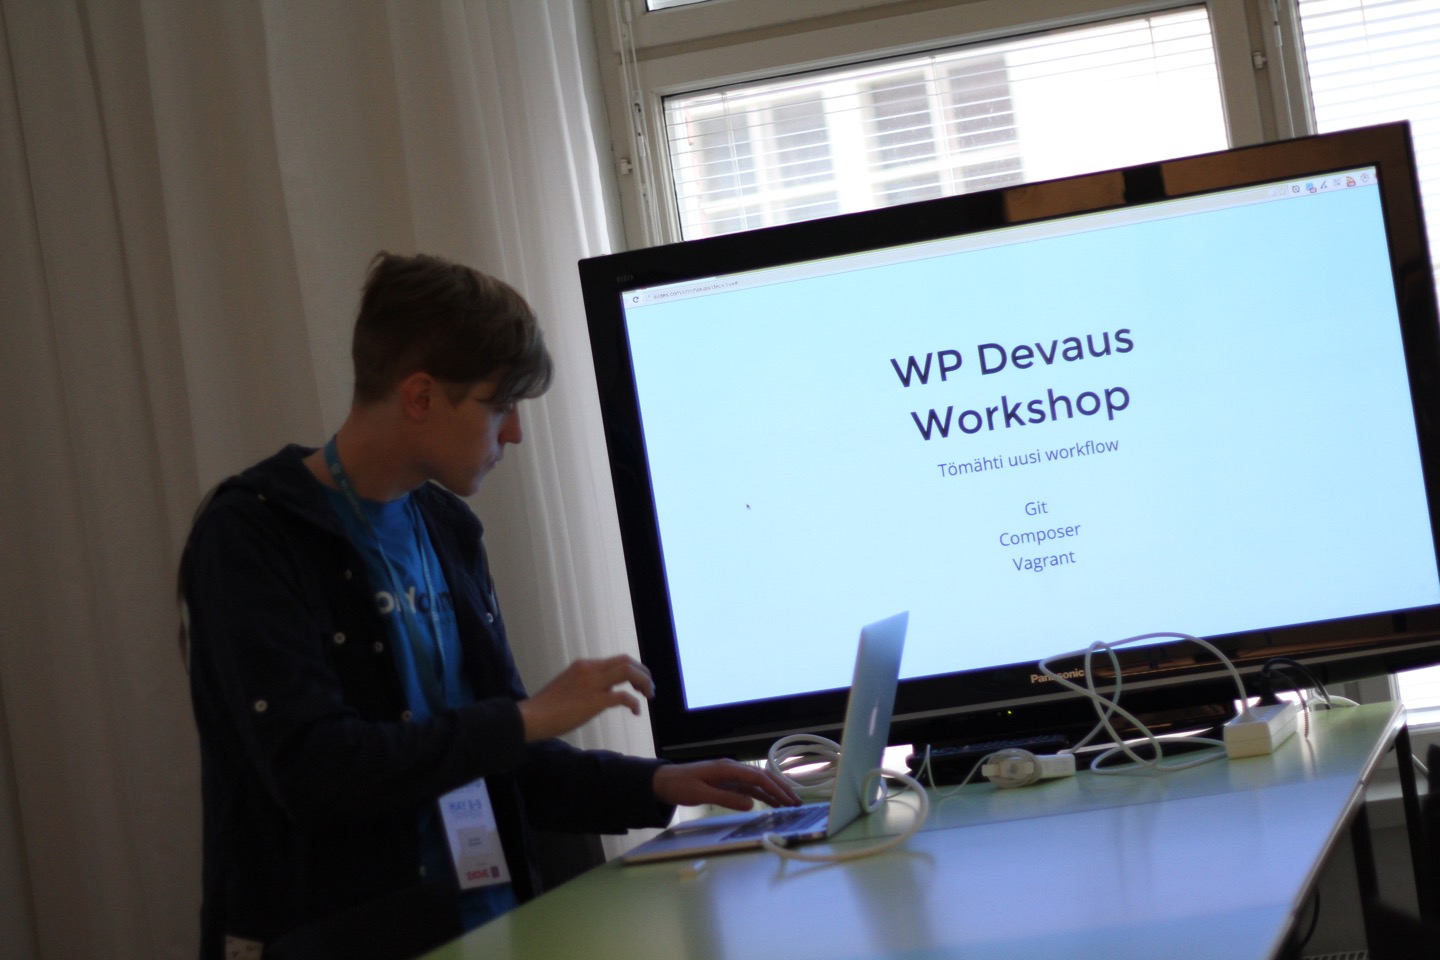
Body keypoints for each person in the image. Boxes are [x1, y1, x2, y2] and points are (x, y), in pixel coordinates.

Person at [180, 252, 799, 960]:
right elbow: (316, 770)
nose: (514, 433)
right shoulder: (252, 536)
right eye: (499, 406)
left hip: (496, 925)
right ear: (420, 396)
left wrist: (659, 783)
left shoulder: (447, 528)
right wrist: (528, 717)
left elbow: (504, 757)